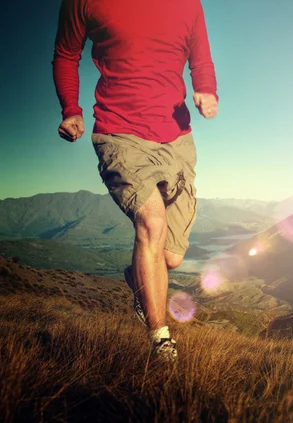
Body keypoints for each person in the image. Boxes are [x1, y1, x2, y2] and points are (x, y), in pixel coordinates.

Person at [52, 0, 218, 362]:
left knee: (170, 257)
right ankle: (161, 341)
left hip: (177, 137)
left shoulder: (189, 4)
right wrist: (71, 110)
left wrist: (207, 89)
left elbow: (200, 58)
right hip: (119, 133)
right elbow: (66, 54)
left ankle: (138, 277)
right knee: (151, 222)